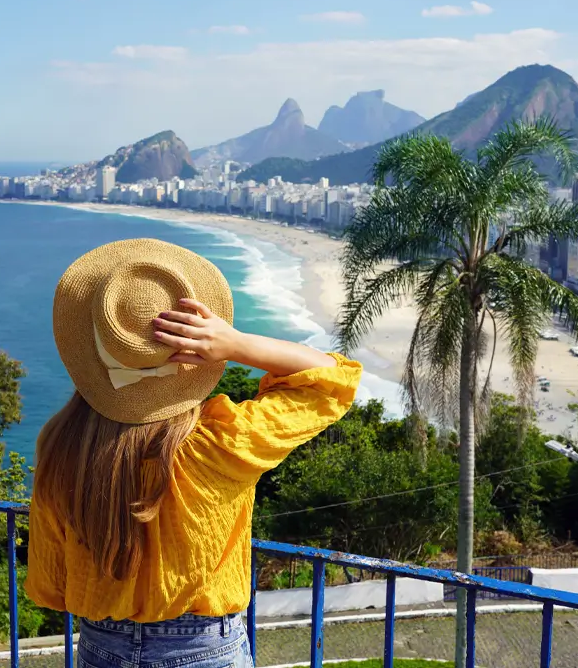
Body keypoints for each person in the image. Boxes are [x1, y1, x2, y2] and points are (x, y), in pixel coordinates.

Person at [26, 239, 363, 668]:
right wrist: (236, 343)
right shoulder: (220, 442)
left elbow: (52, 580)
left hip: (100, 646)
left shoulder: (60, 443)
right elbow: (333, 380)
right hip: (203, 649)